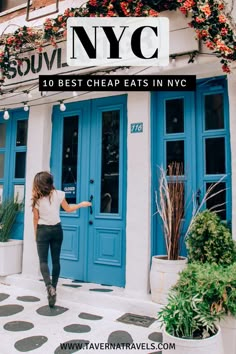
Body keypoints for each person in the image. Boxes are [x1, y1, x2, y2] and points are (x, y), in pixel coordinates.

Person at [32, 171, 91, 308]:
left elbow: (35, 218)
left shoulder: (36, 198)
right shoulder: (59, 194)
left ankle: (48, 287)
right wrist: (81, 204)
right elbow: (69, 209)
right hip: (57, 230)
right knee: (56, 260)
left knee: (43, 261)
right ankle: (54, 287)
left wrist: (36, 235)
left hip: (42, 230)